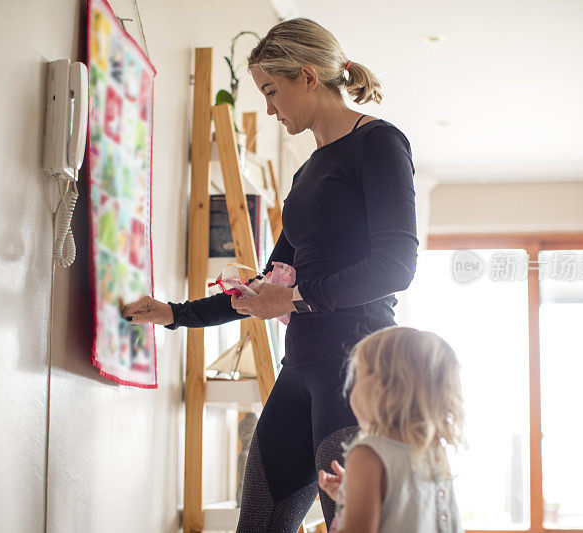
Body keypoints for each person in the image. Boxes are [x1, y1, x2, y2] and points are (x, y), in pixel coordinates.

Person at [122, 17, 419, 531]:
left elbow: (397, 266)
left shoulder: (380, 144)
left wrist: (295, 300)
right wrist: (174, 313)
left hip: (357, 371)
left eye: (272, 91)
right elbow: (267, 286)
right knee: (257, 525)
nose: (269, 108)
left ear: (308, 76)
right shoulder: (308, 173)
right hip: (300, 371)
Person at [318, 327, 465, 533]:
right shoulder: (434, 453)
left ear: (380, 389)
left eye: (358, 378)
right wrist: (352, 493)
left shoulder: (368, 455)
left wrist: (358, 489)